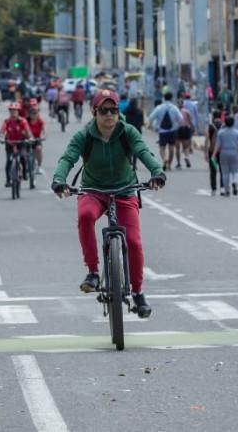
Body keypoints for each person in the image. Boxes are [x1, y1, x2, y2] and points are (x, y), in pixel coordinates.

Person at [51, 89, 166, 318]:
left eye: (114, 110)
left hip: (124, 190)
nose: (109, 116)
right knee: (85, 217)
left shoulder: (127, 132)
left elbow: (144, 151)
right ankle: (93, 272)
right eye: (104, 111)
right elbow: (68, 158)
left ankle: (138, 293)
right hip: (93, 190)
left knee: (133, 242)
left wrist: (157, 172)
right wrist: (59, 180)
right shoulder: (84, 135)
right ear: (95, 113)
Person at [0, 102, 34, 186]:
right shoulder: (6, 121)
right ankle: (8, 180)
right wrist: (1, 138)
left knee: (23, 156)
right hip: (10, 143)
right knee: (9, 161)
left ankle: (25, 173)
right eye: (11, 111)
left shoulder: (23, 121)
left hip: (21, 143)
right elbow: (2, 132)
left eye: (15, 111)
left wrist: (30, 138)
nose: (13, 112)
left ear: (18, 111)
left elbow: (28, 131)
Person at [148, 92, 182, 171]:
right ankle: (169, 164)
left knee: (162, 147)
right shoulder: (174, 108)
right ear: (171, 98)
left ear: (164, 98)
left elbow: (151, 117)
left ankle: (164, 159)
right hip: (173, 130)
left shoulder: (159, 107)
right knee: (171, 147)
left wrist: (154, 125)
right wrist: (176, 124)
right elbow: (181, 119)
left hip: (162, 131)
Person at [214, 116, 238, 196]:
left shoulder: (221, 132)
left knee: (225, 172)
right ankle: (234, 182)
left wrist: (214, 154)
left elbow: (217, 145)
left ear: (225, 122)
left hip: (223, 152)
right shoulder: (237, 132)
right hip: (234, 152)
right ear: (233, 123)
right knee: (235, 170)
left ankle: (227, 190)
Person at [176, 93, 199, 169]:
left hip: (177, 130)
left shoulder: (175, 111)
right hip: (186, 129)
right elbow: (190, 121)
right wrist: (193, 128)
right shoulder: (187, 111)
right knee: (186, 146)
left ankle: (179, 163)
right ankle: (186, 157)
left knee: (177, 147)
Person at [205, 110, 223, 196]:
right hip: (222, 150)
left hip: (212, 151)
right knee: (222, 170)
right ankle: (223, 188)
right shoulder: (224, 125)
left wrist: (205, 153)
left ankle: (214, 189)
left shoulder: (210, 126)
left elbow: (207, 140)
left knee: (213, 170)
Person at [25, 103, 47, 175]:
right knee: (23, 153)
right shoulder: (25, 121)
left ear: (38, 114)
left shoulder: (41, 121)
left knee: (39, 149)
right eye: (32, 113)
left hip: (37, 139)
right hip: (27, 139)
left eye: (35, 113)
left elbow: (44, 131)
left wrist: (43, 136)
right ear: (29, 114)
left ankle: (39, 167)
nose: (33, 115)